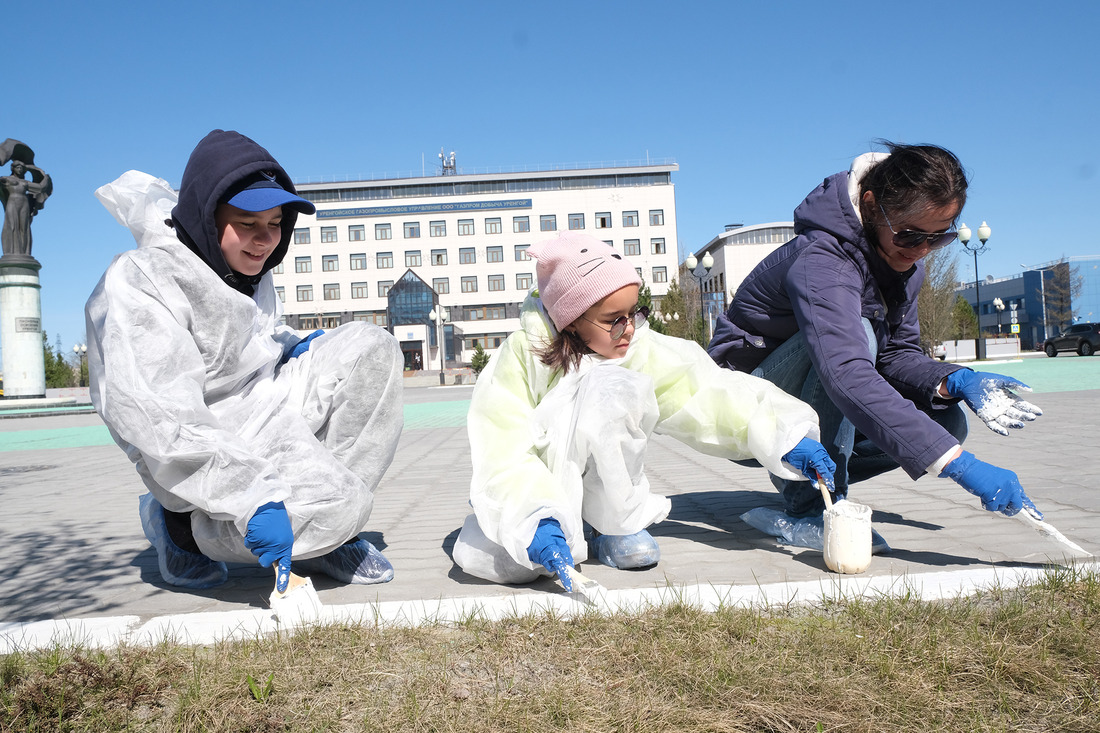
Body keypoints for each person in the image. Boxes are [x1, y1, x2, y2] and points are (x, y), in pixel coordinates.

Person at [85, 130, 404, 591]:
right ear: (206, 214)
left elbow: (251, 335)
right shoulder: (143, 280)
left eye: (275, 223)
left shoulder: (240, 267)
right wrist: (253, 496)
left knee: (372, 348)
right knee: (338, 509)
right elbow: (159, 414)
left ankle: (324, 535)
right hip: (200, 432)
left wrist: (292, 344)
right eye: (247, 222)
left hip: (263, 403)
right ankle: (183, 529)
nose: (264, 240)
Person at [452, 231, 836, 590]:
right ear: (570, 319)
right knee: (517, 564)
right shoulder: (522, 359)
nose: (629, 329)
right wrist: (531, 514)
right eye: (612, 321)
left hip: (603, 492)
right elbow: (502, 443)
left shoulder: (637, 351)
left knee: (613, 389)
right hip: (538, 491)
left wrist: (784, 433)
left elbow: (702, 390)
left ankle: (616, 525)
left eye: (634, 313)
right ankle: (550, 525)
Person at [708, 142, 1044, 544]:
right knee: (859, 340)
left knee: (947, 422)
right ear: (870, 205)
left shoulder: (905, 269)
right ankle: (813, 507)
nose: (921, 251)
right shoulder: (822, 260)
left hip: (800, 395)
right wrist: (958, 466)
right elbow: (845, 370)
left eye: (939, 239)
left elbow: (897, 355)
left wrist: (953, 379)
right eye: (909, 235)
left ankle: (823, 475)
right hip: (741, 410)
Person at [0, 157, 52, 257]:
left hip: (24, 204)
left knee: (24, 227)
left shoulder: (25, 183)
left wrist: (45, 177)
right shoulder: (6, 179)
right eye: (18, 167)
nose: (20, 169)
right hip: (12, 202)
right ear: (13, 168)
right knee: (11, 225)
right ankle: (9, 252)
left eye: (21, 168)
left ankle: (25, 252)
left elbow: (40, 187)